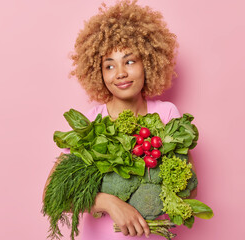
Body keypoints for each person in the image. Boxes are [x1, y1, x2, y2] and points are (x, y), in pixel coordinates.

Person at [43, 0, 197, 239]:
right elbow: (51, 194)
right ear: (98, 73)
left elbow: (190, 189)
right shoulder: (90, 124)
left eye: (130, 61)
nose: (121, 73)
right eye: (109, 66)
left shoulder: (166, 115)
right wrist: (108, 202)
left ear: (148, 62)